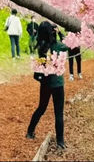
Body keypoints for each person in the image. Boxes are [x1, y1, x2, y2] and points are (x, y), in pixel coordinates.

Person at [26, 21, 69, 151]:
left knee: (41, 107)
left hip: (45, 83)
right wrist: (60, 33)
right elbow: (68, 45)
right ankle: (60, 142)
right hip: (57, 84)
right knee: (58, 113)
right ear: (52, 32)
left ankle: (30, 131)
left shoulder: (40, 47)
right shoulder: (58, 46)